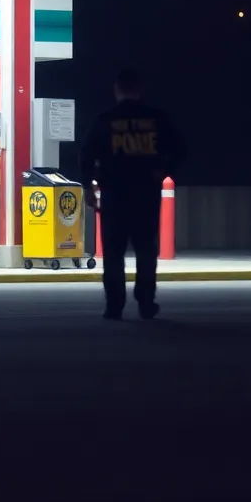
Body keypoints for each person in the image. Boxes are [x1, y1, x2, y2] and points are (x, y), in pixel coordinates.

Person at [80, 69, 185, 320]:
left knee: (114, 253)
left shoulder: (106, 119)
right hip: (145, 195)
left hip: (114, 195)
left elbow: (86, 154)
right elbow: (180, 150)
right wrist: (162, 170)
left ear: (117, 89)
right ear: (140, 89)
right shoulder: (156, 118)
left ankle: (114, 306)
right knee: (146, 251)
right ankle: (146, 303)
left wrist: (87, 187)